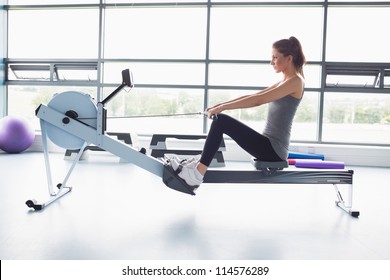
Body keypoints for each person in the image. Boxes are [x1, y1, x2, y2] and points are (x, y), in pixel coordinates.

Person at [169, 36, 306, 191]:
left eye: (275, 57)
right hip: (268, 145)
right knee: (221, 119)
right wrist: (221, 105)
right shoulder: (285, 81)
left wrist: (222, 109)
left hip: (274, 150)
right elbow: (254, 96)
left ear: (289, 58)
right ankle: (197, 166)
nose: (271, 61)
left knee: (221, 121)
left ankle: (196, 174)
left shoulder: (296, 81)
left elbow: (258, 100)